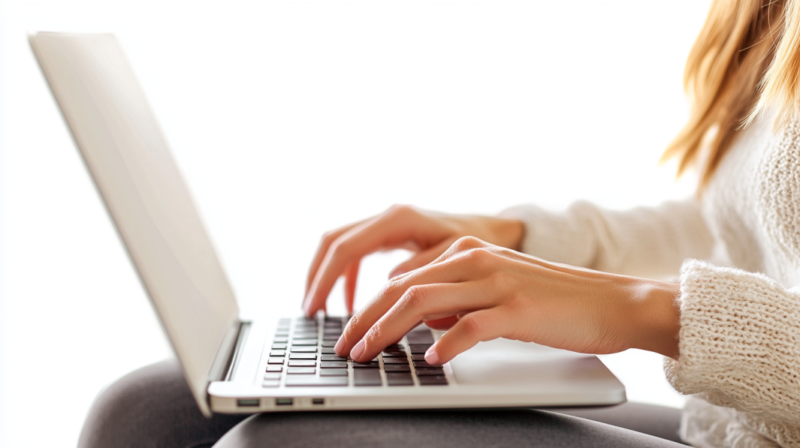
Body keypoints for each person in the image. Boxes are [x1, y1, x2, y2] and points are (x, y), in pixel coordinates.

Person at [78, 0, 800, 447]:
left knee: (281, 446)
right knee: (146, 414)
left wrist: (650, 312)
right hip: (732, 427)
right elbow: (743, 224)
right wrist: (515, 240)